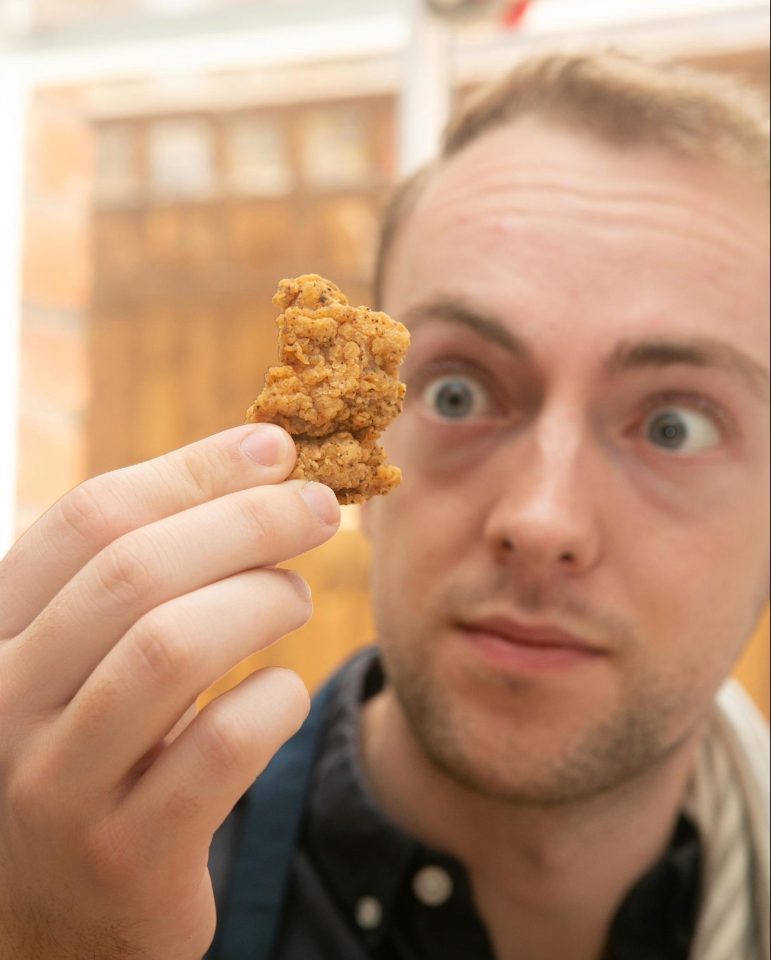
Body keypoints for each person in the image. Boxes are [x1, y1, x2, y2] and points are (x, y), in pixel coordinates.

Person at [0, 48, 768, 960]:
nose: (540, 520)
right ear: (367, 452)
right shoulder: (97, 895)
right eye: (456, 393)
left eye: (675, 424)